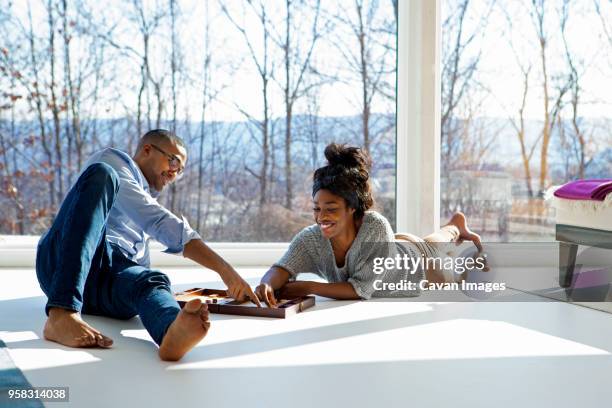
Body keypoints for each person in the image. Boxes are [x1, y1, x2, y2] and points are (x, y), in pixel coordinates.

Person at [36, 129, 260, 361]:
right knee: (102, 175)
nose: (175, 172)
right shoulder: (113, 162)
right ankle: (61, 312)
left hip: (104, 284)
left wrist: (158, 297)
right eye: (173, 160)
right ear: (147, 150)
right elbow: (157, 220)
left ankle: (172, 332)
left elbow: (139, 267)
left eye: (180, 169)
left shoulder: (143, 204)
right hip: (61, 264)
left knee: (151, 280)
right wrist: (226, 270)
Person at [255, 143, 483, 305]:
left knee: (450, 269)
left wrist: (308, 287)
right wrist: (266, 284)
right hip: (392, 247)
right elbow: (282, 268)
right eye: (317, 208)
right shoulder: (311, 238)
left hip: (420, 267)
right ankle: (455, 225)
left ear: (352, 207)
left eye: (331, 209)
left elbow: (359, 289)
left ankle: (455, 226)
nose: (321, 217)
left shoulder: (375, 225)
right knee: (429, 243)